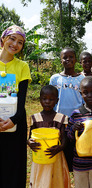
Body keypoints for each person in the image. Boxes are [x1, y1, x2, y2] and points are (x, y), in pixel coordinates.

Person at [0, 25, 31, 188]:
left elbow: (22, 101)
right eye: (12, 38)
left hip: (15, 124)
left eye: (20, 42)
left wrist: (13, 120)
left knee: (14, 167)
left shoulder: (22, 67)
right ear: (3, 39)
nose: (15, 44)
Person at [27, 85, 71, 188]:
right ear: (40, 100)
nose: (47, 101)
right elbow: (30, 137)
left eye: (51, 99)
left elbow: (65, 139)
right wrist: (30, 143)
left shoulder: (61, 118)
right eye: (44, 99)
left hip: (56, 158)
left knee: (56, 181)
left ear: (57, 100)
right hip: (40, 158)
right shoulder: (35, 118)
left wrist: (60, 147)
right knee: (40, 181)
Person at [49, 47, 84, 117]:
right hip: (58, 116)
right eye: (65, 57)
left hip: (77, 117)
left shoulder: (82, 79)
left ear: (75, 60)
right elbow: (50, 99)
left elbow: (84, 101)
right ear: (61, 61)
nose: (68, 59)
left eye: (71, 57)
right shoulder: (55, 79)